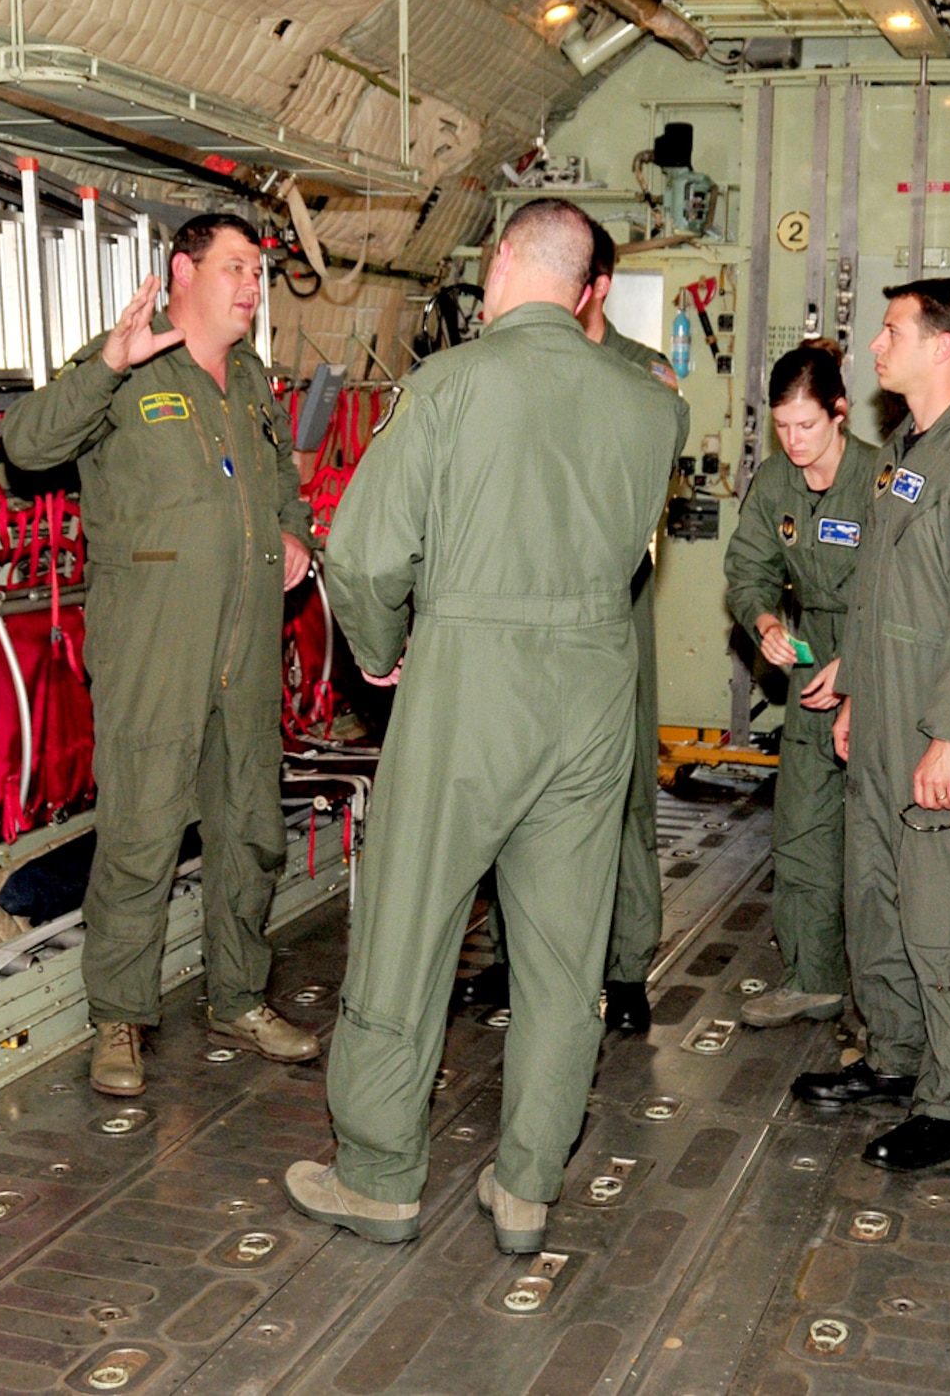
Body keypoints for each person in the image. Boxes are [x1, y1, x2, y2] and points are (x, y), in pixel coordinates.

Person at [283, 200, 687, 1255]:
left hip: (471, 674)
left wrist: (374, 651)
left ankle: (378, 1173)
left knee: (410, 924)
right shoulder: (652, 409)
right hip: (595, 686)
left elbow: (367, 554)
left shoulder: (452, 382)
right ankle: (526, 1186)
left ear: (503, 261)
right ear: (589, 286)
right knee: (564, 954)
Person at [4, 213, 319, 1099]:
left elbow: (281, 484)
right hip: (154, 641)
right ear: (182, 270)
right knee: (142, 830)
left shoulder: (252, 377)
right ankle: (120, 1017)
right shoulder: (128, 360)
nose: (253, 285)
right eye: (236, 267)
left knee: (250, 826)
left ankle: (239, 995)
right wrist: (111, 361)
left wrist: (293, 534)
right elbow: (27, 444)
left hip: (246, 638)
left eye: (258, 270)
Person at [789, 279, 950, 1173]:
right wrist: (855, 687)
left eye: (892, 330)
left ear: (944, 346)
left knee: (945, 914)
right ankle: (894, 1055)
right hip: (887, 712)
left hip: (941, 725)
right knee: (880, 899)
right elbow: (883, 592)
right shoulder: (906, 449)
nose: (876, 346)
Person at [456, 222, 675, 1034]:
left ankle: (623, 968)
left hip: (611, 607)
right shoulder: (509, 368)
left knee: (620, 795)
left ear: (597, 287)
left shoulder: (639, 377)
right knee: (517, 785)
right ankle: (515, 954)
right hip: (523, 609)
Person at [723, 340, 878, 1028]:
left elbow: (912, 591)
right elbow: (747, 567)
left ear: (839, 413)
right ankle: (812, 977)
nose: (792, 441)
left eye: (806, 426)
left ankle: (883, 1002)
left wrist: (862, 661)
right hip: (815, 663)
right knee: (804, 826)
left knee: (876, 840)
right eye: (781, 426)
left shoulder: (883, 480)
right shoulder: (777, 483)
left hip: (885, 662)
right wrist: (763, 621)